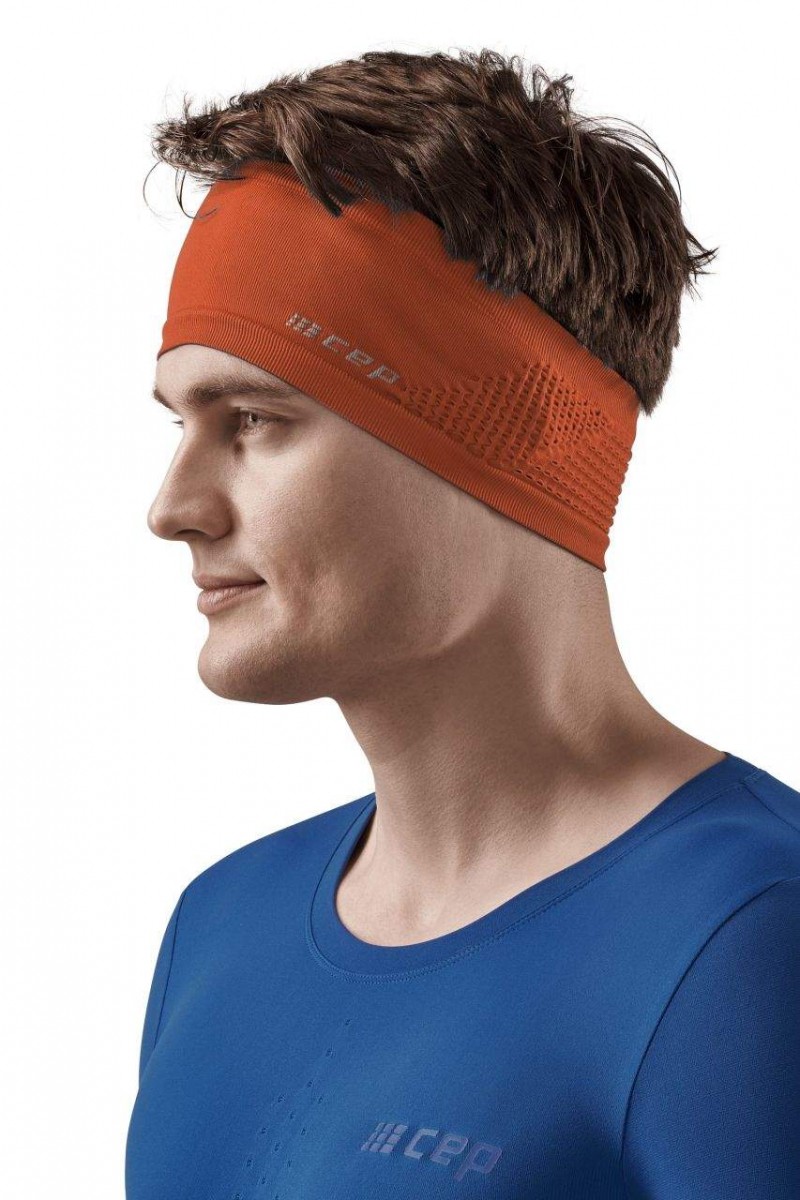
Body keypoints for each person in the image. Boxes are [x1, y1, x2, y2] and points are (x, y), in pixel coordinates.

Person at [125, 48, 800, 1198]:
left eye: (254, 418)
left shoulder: (746, 941)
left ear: (500, 444)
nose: (172, 507)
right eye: (178, 421)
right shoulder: (219, 924)